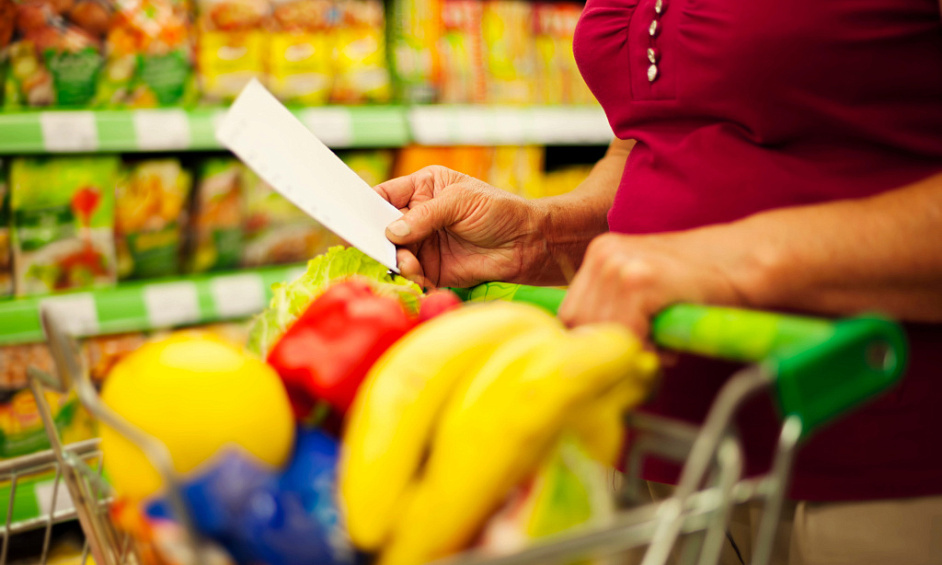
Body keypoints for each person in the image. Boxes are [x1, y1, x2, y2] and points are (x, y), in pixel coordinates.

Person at [373, 0, 942, 563]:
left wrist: (723, 261)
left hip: (876, 471)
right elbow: (650, 141)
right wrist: (545, 234)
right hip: (663, 453)